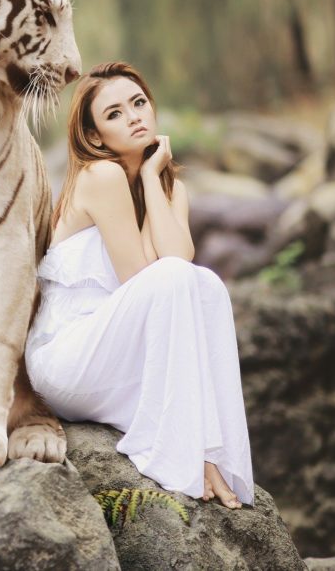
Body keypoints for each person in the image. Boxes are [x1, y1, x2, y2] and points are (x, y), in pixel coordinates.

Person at [26, 61, 254, 508]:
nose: (134, 116)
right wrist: (148, 181)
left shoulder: (171, 189)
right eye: (114, 114)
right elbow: (145, 277)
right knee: (176, 279)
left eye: (138, 103)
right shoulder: (99, 176)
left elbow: (177, 264)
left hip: (120, 356)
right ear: (94, 137)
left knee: (206, 285)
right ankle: (190, 453)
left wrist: (152, 179)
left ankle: (206, 451)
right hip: (67, 358)